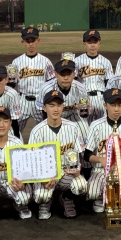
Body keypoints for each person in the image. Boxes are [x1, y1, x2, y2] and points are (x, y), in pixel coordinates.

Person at [29, 89, 87, 219]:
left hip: (67, 172)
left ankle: (66, 198)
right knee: (41, 196)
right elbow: (33, 162)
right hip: (46, 175)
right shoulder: (37, 131)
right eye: (51, 105)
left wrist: (78, 171)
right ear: (44, 108)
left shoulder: (73, 127)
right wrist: (43, 180)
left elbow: (79, 155)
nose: (56, 109)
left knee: (81, 186)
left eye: (59, 105)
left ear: (63, 107)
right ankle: (46, 201)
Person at [8, 27, 55, 133]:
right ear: (23, 42)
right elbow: (11, 84)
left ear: (38, 41)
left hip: (40, 100)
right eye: (27, 41)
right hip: (22, 100)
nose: (30, 44)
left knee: (45, 131)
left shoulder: (46, 61)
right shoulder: (16, 62)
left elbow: (52, 83)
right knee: (14, 131)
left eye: (33, 40)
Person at [36, 58, 90, 143]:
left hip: (74, 116)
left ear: (74, 74)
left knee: (85, 134)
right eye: (62, 74)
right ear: (56, 75)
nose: (66, 78)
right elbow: (43, 112)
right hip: (53, 117)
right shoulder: (46, 88)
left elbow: (84, 114)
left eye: (69, 74)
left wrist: (84, 111)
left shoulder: (81, 88)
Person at [74, 30, 114, 121]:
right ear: (84, 44)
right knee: (84, 126)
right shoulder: (77, 61)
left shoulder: (106, 62)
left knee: (103, 125)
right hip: (84, 100)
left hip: (101, 98)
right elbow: (73, 82)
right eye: (89, 42)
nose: (92, 45)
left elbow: (109, 84)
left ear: (99, 43)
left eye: (95, 42)